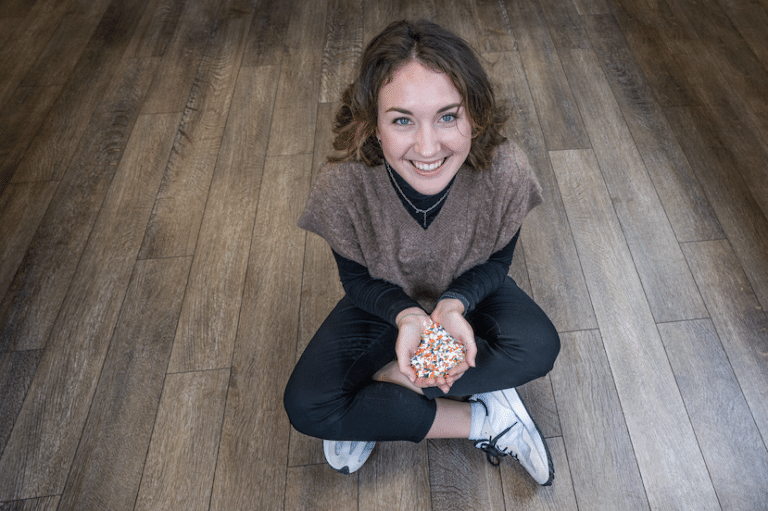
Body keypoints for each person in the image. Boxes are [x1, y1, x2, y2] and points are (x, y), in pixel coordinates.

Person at [283, 19, 560, 486]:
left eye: (448, 116)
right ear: (373, 124)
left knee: (538, 347)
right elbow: (356, 281)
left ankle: (379, 395)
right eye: (402, 120)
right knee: (307, 405)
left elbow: (497, 264)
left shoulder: (505, 170)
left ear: (476, 114)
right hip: (385, 305)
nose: (428, 148)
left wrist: (453, 305)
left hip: (471, 296)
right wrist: (408, 317)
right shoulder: (342, 185)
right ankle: (489, 420)